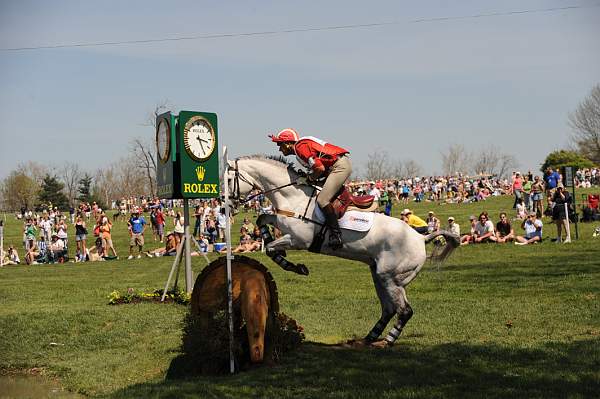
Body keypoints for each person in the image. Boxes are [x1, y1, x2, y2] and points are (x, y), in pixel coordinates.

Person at [270, 128, 351, 249]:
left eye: (280, 144)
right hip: (335, 166)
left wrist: (308, 179)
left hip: (339, 167)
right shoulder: (300, 149)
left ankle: (336, 235)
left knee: (322, 200)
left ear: (288, 143)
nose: (279, 148)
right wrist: (308, 177)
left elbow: (319, 168)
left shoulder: (300, 147)